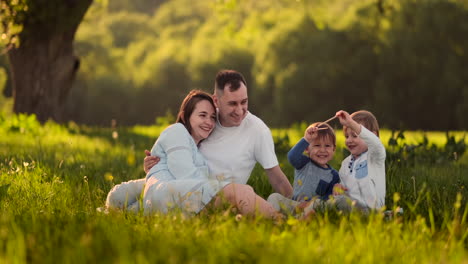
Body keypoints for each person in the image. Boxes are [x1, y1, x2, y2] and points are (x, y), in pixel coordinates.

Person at [106, 90, 281, 218]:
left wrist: (153, 173)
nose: (209, 122)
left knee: (239, 200)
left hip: (167, 201)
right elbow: (186, 174)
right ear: (185, 116)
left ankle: (287, 213)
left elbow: (177, 176)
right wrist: (225, 188)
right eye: (202, 115)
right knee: (238, 192)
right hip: (165, 195)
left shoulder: (196, 152)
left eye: (213, 117)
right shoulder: (177, 131)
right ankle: (286, 222)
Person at [144, 70, 293, 196]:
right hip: (184, 191)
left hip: (223, 197)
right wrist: (155, 166)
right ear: (216, 100)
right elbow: (179, 150)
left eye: (244, 102)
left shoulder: (258, 131)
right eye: (232, 104)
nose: (240, 110)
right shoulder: (205, 121)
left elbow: (277, 179)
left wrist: (297, 202)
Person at [267, 122, 340, 215]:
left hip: (311, 207)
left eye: (327, 146)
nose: (322, 150)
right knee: (274, 197)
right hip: (295, 204)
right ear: (306, 149)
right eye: (317, 145)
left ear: (334, 149)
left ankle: (301, 219)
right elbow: (292, 156)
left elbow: (328, 196)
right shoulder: (304, 163)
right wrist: (306, 139)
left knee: (318, 204)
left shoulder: (333, 175)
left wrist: (310, 203)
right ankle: (274, 217)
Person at [331, 110, 386, 212]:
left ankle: (306, 210)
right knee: (332, 201)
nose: (349, 140)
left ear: (373, 135)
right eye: (347, 136)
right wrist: (338, 188)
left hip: (371, 211)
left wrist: (350, 123)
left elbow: (375, 142)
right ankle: (301, 211)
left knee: (333, 203)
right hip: (350, 207)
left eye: (355, 135)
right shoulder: (345, 163)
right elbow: (343, 189)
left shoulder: (375, 157)